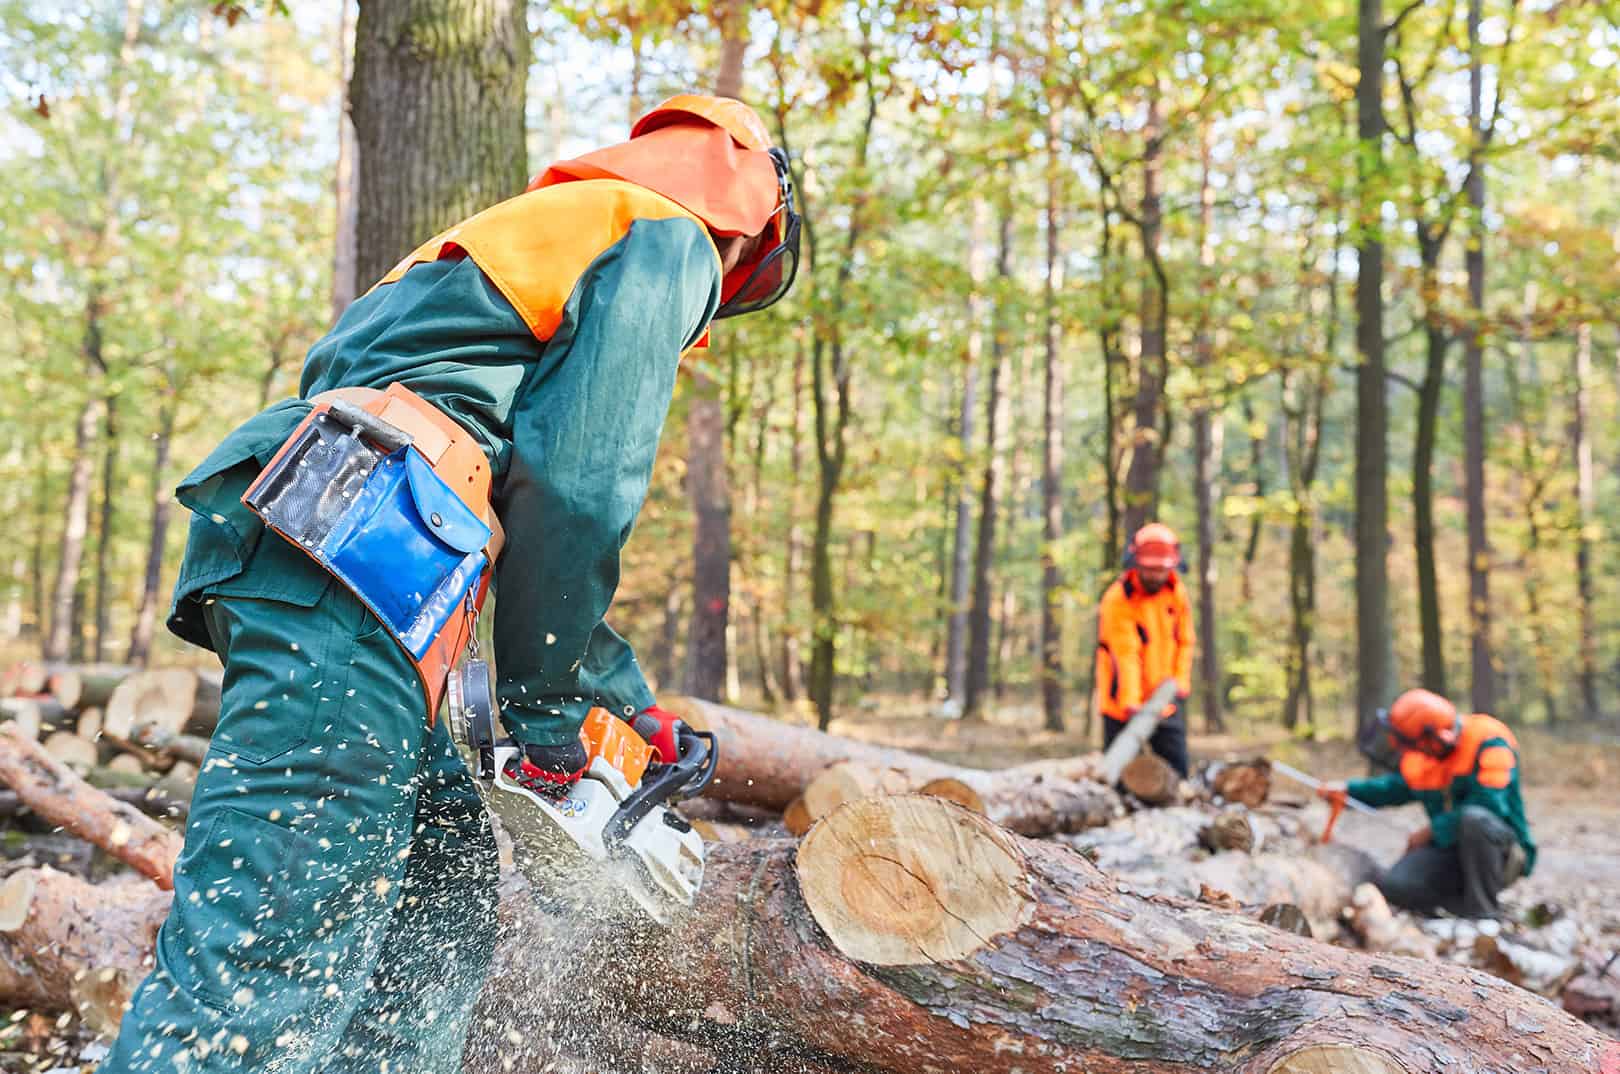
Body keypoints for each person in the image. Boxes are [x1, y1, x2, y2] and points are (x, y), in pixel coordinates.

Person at [102, 94, 800, 1074]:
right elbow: (578, 481)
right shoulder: (668, 232)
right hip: (356, 573)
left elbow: (516, 474)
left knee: (442, 889)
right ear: (750, 212)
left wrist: (617, 701)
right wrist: (554, 713)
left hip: (341, 565)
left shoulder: (521, 244)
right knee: (262, 962)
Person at [1318, 688, 1536, 920]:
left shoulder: (1490, 742)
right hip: (1449, 851)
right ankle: (1456, 909)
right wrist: (1349, 791)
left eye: (1410, 745)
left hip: (1503, 853)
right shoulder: (1426, 756)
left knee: (1475, 819)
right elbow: (1394, 788)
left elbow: (1490, 806)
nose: (1407, 752)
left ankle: (1484, 914)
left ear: (1436, 738)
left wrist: (1431, 831)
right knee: (1396, 885)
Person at [1094, 522, 1195, 778]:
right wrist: (1130, 701)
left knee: (1177, 772)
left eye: (1160, 570)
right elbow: (1124, 653)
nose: (1155, 576)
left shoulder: (1177, 593)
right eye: (1149, 570)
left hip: (1164, 701)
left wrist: (1180, 681)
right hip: (1121, 704)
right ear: (1135, 563)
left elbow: (1185, 640)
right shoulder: (1118, 599)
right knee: (1119, 777)